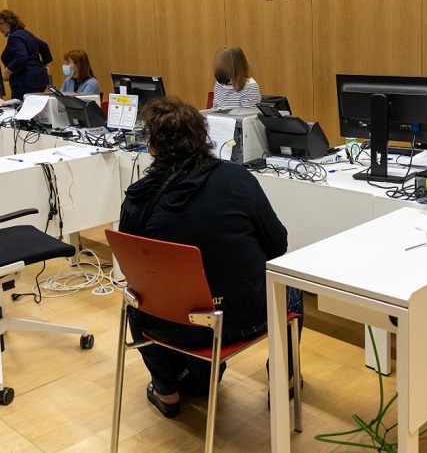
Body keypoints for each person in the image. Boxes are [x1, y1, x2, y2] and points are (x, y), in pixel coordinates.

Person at [119, 96, 302, 418]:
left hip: (170, 325)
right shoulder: (237, 179)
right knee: (292, 287)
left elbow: (134, 270)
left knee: (136, 300)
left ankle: (167, 391)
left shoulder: (138, 198)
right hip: (248, 319)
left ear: (153, 147)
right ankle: (284, 380)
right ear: (203, 138)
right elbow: (278, 245)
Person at [0, 9, 52, 100]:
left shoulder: (14, 37)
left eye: (2, 23)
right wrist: (46, 66)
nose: (0, 28)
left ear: (10, 22)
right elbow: (44, 46)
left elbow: (21, 56)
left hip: (25, 80)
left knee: (20, 111)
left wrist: (7, 71)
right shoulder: (26, 34)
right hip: (40, 78)